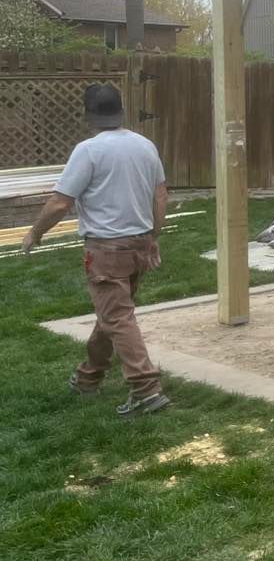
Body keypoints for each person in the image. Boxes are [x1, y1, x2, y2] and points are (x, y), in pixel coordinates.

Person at [22, 83, 170, 417]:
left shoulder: (88, 150)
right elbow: (161, 195)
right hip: (139, 243)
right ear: (122, 110)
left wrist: (35, 232)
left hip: (107, 249)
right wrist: (153, 237)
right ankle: (89, 377)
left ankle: (146, 388)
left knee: (117, 316)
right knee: (112, 314)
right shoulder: (145, 146)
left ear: (88, 115)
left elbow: (61, 202)